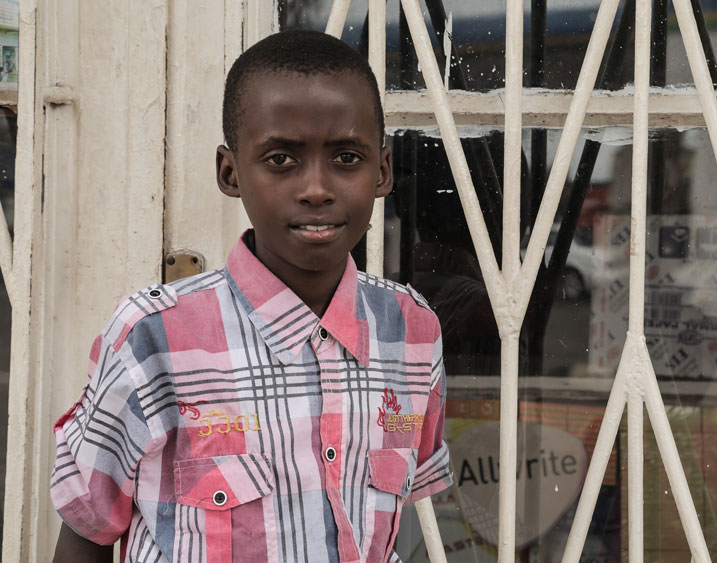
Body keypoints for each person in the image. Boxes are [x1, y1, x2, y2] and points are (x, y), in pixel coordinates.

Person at [50, 29, 452, 563]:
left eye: (347, 158)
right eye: (281, 159)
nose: (316, 188)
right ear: (230, 172)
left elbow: (393, 515)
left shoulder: (411, 330)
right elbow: (87, 534)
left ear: (382, 171)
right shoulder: (153, 335)